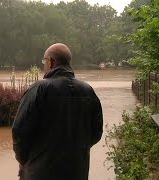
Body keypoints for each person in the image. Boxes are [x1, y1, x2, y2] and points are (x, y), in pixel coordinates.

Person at [12, 43, 103, 180]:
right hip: (77, 171)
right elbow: (96, 132)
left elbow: (19, 131)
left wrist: (26, 161)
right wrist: (77, 149)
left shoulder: (39, 89)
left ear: (51, 62)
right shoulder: (88, 91)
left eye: (44, 61)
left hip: (40, 173)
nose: (44, 65)